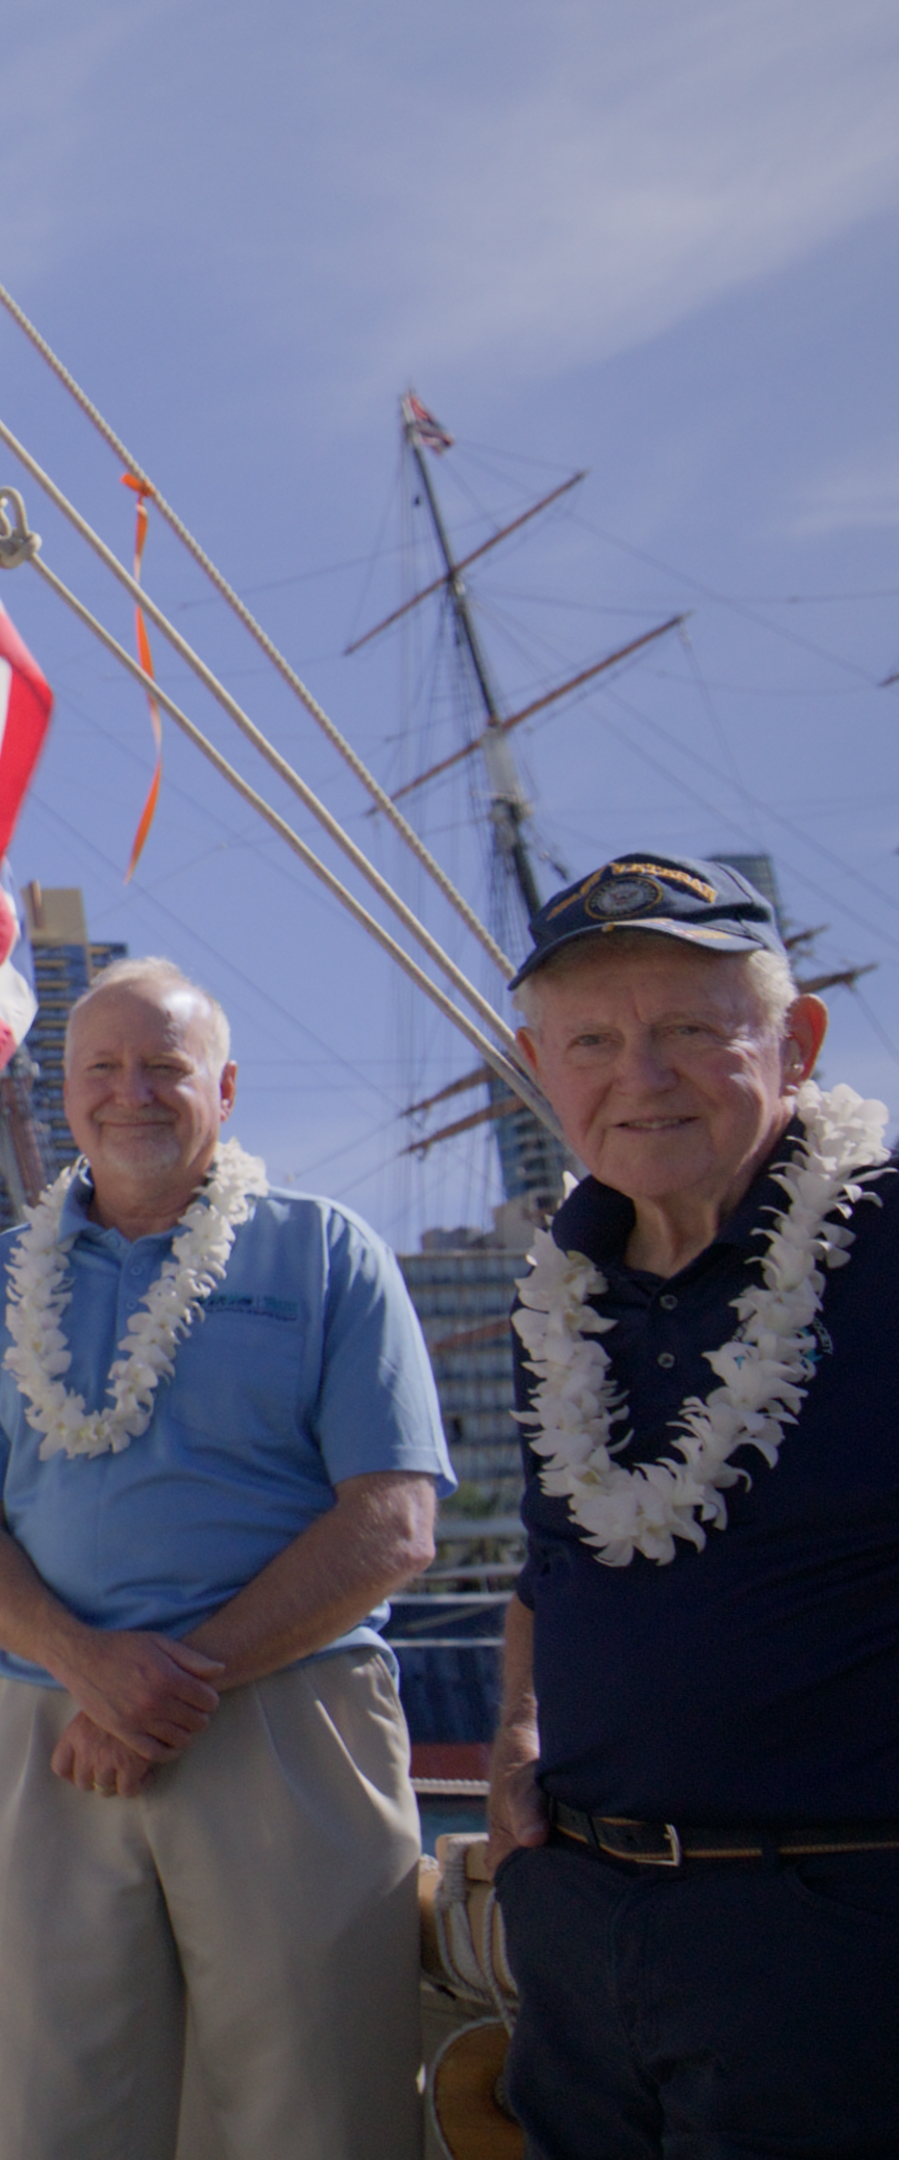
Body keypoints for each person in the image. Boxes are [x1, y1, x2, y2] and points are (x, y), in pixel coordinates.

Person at [0, 957, 448, 2160]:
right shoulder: (1, 1279)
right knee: (48, 2127)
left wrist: (166, 1685)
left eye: (165, 1066)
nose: (131, 1092)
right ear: (67, 1092)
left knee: (321, 2119)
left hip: (284, 1717)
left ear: (226, 1087)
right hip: (48, 1732)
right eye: (102, 1068)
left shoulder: (327, 1255)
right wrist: (89, 1668)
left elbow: (393, 1523)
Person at [484, 852, 899, 2153]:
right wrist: (516, 1734)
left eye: (687, 1032)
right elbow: (548, 1567)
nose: (641, 1077)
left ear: (796, 1042)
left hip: (832, 1935)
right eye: (593, 1042)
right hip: (578, 1932)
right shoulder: (562, 1296)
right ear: (540, 1065)